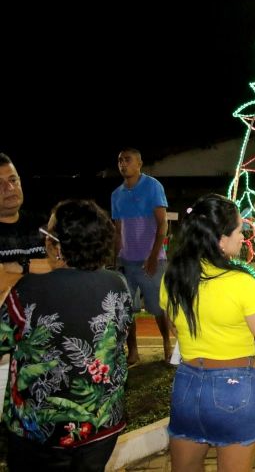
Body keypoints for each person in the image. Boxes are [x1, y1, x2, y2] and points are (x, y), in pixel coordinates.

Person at [1, 199, 131, 472]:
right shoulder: (117, 284)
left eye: (47, 234)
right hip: (101, 425)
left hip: (39, 430)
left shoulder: (29, 289)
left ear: (58, 247)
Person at [161, 194, 255, 472]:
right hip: (234, 389)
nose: (243, 238)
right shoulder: (241, 282)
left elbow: (174, 326)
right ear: (219, 240)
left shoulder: (173, 276)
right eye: (239, 231)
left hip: (187, 385)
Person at [112, 147, 171, 364]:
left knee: (157, 308)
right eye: (119, 160)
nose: (122, 164)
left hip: (151, 261)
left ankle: (167, 343)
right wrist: (115, 260)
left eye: (127, 160)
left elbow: (162, 224)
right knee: (127, 309)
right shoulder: (116, 195)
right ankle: (133, 351)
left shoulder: (153, 187)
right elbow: (118, 231)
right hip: (127, 262)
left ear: (139, 163)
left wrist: (154, 256)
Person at [0, 153, 51, 289]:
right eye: (0, 183)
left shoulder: (44, 224)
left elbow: (64, 262)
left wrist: (21, 266)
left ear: (20, 182)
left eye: (13, 180)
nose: (10, 188)